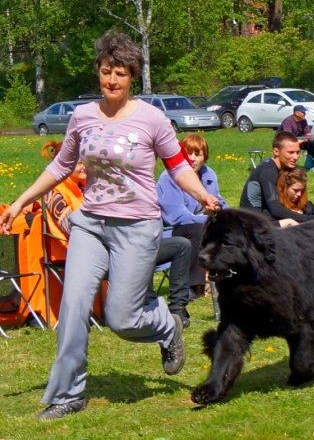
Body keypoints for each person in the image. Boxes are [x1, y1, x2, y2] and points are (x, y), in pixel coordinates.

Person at [0, 30, 220, 420]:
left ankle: (167, 327)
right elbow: (60, 166)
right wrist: (20, 201)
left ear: (132, 75)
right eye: (105, 72)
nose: (112, 80)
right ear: (98, 74)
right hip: (90, 224)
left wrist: (202, 195)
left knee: (122, 318)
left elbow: (178, 166)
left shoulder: (152, 119)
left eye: (119, 72)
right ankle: (68, 395)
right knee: (72, 306)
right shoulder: (83, 117)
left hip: (137, 227)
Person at [44, 141, 196, 329]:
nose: (85, 166)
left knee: (180, 245)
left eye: (86, 161)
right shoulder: (54, 193)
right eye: (79, 162)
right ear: (65, 164)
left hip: (120, 246)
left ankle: (177, 309)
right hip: (89, 255)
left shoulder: (88, 187)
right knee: (138, 250)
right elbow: (74, 228)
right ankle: (144, 306)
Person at [157, 133, 228, 300]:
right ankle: (195, 286)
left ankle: (223, 279)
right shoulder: (168, 178)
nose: (193, 159)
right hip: (173, 230)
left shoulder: (208, 174)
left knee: (231, 228)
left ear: (205, 157)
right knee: (198, 229)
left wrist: (222, 211)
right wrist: (210, 220)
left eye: (198, 154)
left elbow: (219, 199)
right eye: (188, 153)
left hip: (202, 224)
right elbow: (177, 217)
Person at [240, 131, 314, 224]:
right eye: (291, 152)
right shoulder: (268, 171)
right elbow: (276, 210)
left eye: (297, 152)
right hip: (253, 223)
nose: (295, 157)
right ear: (276, 151)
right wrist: (309, 219)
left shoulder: (281, 167)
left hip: (266, 217)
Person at [278, 105, 314, 170]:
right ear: (296, 113)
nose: (305, 114)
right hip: (284, 142)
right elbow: (288, 137)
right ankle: (287, 165)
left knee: (311, 143)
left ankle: (312, 164)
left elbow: (307, 132)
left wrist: (309, 136)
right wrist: (298, 141)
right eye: (303, 112)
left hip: (298, 140)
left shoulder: (304, 121)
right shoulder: (288, 121)